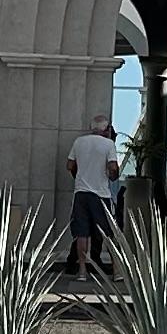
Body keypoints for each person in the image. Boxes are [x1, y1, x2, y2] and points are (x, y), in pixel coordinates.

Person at [65, 115, 124, 271]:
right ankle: (116, 270)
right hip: (101, 194)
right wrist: (113, 176)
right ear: (106, 129)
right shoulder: (108, 144)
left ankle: (82, 270)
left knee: (81, 233)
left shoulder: (79, 142)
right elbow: (113, 168)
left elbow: (70, 165)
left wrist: (79, 176)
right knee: (108, 231)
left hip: (81, 192)